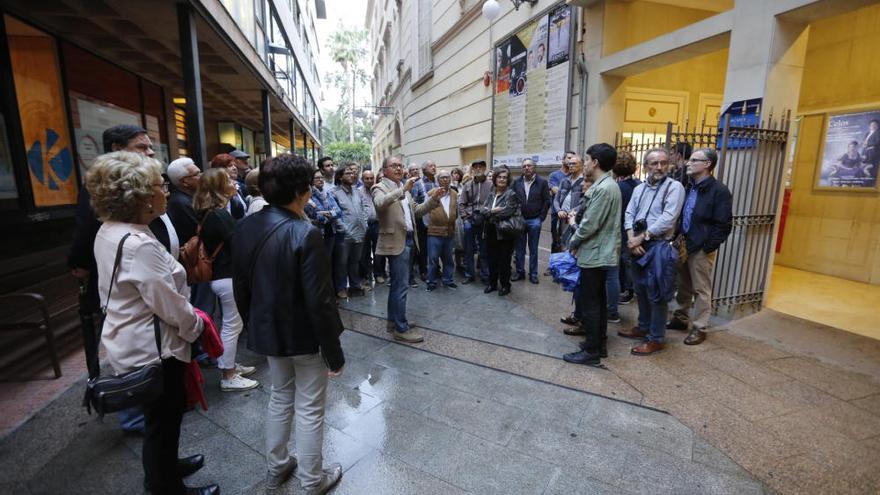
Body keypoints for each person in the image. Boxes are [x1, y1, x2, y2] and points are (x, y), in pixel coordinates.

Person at [88, 151, 217, 495]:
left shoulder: (111, 230)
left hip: (137, 340)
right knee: (163, 421)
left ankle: (167, 467)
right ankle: (165, 486)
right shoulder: (137, 244)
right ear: (141, 197)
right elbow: (170, 305)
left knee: (162, 420)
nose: (166, 192)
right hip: (155, 348)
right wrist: (198, 328)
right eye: (159, 186)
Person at [231, 154, 345, 494]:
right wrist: (334, 352)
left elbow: (241, 286)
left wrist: (253, 325)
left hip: (269, 331)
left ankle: (277, 466)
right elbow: (320, 301)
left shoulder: (246, 225)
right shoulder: (304, 232)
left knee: (280, 397)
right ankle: (312, 480)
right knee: (309, 406)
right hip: (303, 336)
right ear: (303, 190)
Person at [68, 124, 162, 434]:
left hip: (139, 280)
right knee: (128, 344)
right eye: (141, 147)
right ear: (117, 150)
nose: (149, 152)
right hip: (121, 284)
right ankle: (132, 411)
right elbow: (84, 235)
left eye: (150, 147)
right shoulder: (105, 199)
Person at [193, 168, 259, 390]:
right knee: (232, 325)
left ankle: (228, 364)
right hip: (227, 276)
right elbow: (239, 244)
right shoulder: (219, 215)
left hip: (223, 276)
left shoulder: (211, 212)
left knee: (231, 324)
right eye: (228, 180)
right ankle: (228, 376)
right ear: (219, 187)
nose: (234, 183)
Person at [618, 148, 685, 355]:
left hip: (658, 246)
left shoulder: (675, 187)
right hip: (636, 245)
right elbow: (629, 213)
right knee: (640, 290)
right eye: (654, 163)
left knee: (657, 294)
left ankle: (656, 337)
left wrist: (641, 237)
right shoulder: (639, 188)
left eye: (663, 163)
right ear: (646, 166)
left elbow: (668, 218)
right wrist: (631, 238)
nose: (659, 167)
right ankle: (643, 326)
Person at [372, 155, 444, 343]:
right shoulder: (380, 187)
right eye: (393, 165)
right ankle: (400, 328)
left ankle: (392, 321)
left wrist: (433, 200)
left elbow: (417, 211)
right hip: (395, 243)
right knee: (401, 286)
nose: (398, 168)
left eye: (400, 165)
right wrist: (402, 190)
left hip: (410, 240)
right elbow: (380, 204)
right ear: (385, 170)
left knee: (397, 285)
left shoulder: (404, 187)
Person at [561, 144, 622, 366]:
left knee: (592, 303)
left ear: (595, 162)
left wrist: (573, 241)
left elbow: (589, 225)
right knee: (597, 300)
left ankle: (593, 351)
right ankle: (598, 344)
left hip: (596, 253)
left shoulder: (605, 188)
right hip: (598, 252)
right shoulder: (606, 185)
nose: (584, 162)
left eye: (586, 159)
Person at [667, 148, 733, 345]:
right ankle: (680, 318)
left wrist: (707, 247)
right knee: (683, 284)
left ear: (707, 165)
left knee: (701, 289)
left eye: (695, 160)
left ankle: (700, 327)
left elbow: (724, 224)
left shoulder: (719, 191)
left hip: (701, 247)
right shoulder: (690, 186)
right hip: (685, 243)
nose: (689, 163)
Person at [554, 154, 587, 326]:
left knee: (574, 260)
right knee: (565, 252)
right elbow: (557, 198)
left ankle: (579, 314)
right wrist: (559, 210)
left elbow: (584, 203)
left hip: (575, 224)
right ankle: (577, 312)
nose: (571, 166)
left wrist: (572, 214)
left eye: (575, 163)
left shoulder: (584, 182)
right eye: (569, 164)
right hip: (564, 221)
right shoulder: (565, 180)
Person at [480, 166, 521, 296]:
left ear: (508, 180)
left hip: (505, 232)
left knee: (504, 260)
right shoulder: (492, 193)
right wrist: (492, 211)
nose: (502, 179)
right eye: (499, 177)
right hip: (491, 231)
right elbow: (482, 210)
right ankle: (492, 284)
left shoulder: (511, 194)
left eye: (504, 177)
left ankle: (505, 285)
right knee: (492, 259)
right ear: (495, 178)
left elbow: (507, 212)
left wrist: (489, 213)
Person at [609, 152, 641, 316]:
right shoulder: (638, 184)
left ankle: (627, 290)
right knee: (628, 260)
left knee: (625, 260)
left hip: (622, 228)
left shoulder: (619, 187)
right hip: (635, 228)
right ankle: (629, 289)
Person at [512, 158, 551, 284]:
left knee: (533, 249)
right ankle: (520, 272)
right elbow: (512, 200)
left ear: (534, 167)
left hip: (535, 220)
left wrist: (541, 218)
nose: (526, 168)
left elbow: (547, 201)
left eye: (529, 166)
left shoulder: (542, 182)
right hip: (520, 220)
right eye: (524, 166)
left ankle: (533, 274)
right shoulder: (516, 182)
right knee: (519, 248)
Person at [332, 163, 368, 298]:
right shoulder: (334, 193)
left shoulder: (357, 191)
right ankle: (341, 287)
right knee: (342, 262)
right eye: (347, 173)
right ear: (340, 177)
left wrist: (365, 224)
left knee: (355, 261)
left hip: (360, 232)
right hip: (344, 235)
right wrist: (345, 229)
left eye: (352, 173)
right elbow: (335, 214)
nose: (352, 175)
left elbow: (364, 208)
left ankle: (355, 284)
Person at [458, 160, 492, 285]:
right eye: (476, 167)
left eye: (480, 167)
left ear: (484, 168)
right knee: (468, 250)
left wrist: (487, 215)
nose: (478, 169)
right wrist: (465, 218)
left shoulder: (491, 185)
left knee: (484, 250)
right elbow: (462, 203)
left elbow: (493, 202)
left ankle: (485, 275)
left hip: (484, 220)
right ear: (472, 169)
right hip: (470, 220)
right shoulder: (468, 185)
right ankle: (469, 274)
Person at [425, 170, 458, 291]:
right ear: (438, 180)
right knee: (433, 259)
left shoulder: (454, 193)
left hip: (449, 232)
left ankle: (448, 280)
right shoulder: (431, 193)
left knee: (449, 259)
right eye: (442, 177)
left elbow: (456, 211)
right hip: (434, 233)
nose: (445, 180)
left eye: (447, 177)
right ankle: (431, 282)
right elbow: (424, 212)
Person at [166, 157, 202, 243]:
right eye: (197, 174)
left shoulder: (190, 197)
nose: (201, 176)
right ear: (184, 182)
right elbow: (199, 233)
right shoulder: (180, 203)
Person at [358, 169, 382, 286]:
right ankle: (366, 276)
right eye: (366, 178)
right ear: (362, 180)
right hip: (364, 225)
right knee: (364, 252)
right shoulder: (358, 192)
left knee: (378, 251)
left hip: (377, 224)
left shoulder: (378, 190)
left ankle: (379, 274)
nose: (369, 180)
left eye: (371, 178)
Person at [307, 174, 341, 254]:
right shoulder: (309, 195)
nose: (320, 179)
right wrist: (330, 214)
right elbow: (314, 215)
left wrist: (327, 213)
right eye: (317, 178)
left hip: (331, 231)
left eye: (322, 177)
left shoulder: (327, 194)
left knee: (328, 260)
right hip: (317, 232)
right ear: (312, 180)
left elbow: (338, 212)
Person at [548, 152, 574, 253]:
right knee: (556, 239)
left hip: (571, 213)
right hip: (556, 212)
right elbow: (555, 191)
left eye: (572, 158)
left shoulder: (575, 175)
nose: (570, 161)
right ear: (563, 160)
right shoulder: (554, 175)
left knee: (567, 240)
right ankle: (553, 265)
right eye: (568, 158)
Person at [209, 153, 246, 219]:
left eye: (234, 165)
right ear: (219, 169)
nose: (234, 168)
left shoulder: (239, 187)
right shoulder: (217, 191)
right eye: (229, 166)